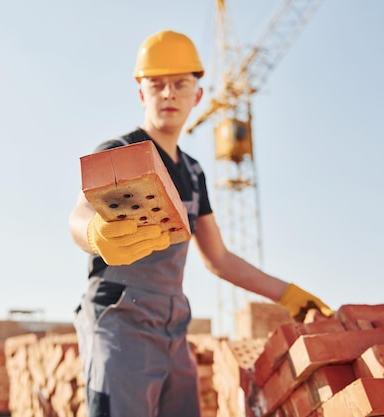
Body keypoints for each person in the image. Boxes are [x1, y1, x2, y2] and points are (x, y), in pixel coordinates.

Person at [69, 29, 333, 417]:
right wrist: (94, 234)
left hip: (173, 323)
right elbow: (78, 217)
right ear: (142, 93)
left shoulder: (193, 173)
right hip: (121, 317)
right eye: (156, 84)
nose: (168, 93)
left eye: (179, 84)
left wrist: (290, 296)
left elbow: (219, 259)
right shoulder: (119, 152)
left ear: (198, 95)